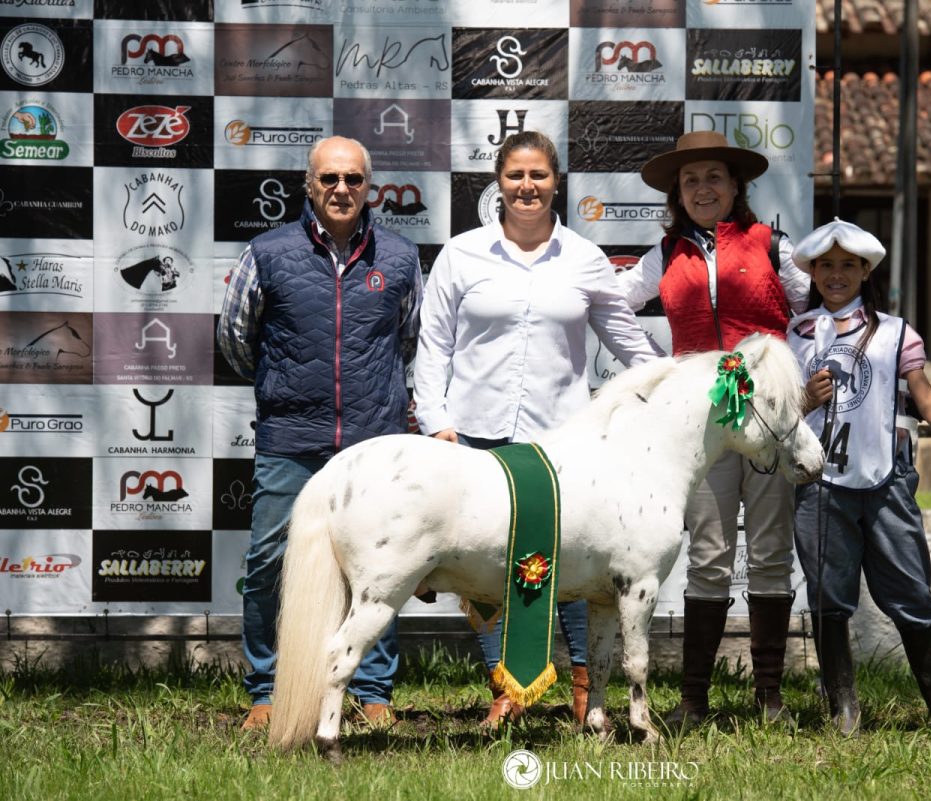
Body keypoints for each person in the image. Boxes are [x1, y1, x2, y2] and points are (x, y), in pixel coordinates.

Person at [413, 130, 663, 728]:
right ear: (498, 183)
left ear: (557, 182)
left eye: (539, 176)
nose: (527, 187)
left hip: (563, 446)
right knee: (489, 572)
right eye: (515, 176)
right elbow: (433, 344)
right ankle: (508, 688)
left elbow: (628, 341)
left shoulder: (584, 258)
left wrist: (683, 380)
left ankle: (583, 688)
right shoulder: (461, 254)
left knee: (573, 564)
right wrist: (436, 423)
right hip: (476, 440)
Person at [219, 136, 424, 732]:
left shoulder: (402, 257)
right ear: (307, 184)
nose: (341, 189)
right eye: (329, 178)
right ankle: (266, 689)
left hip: (373, 444)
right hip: (292, 439)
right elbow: (235, 341)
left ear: (369, 188)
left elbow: (410, 343)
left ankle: (372, 688)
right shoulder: (267, 252)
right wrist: (285, 386)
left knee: (381, 570)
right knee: (268, 562)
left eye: (353, 180)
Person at [617, 131, 811, 726]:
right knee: (708, 557)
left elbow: (814, 314)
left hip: (770, 423)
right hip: (702, 428)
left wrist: (797, 379)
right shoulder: (663, 256)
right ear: (678, 192)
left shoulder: (773, 246)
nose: (703, 189)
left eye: (714, 178)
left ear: (736, 187)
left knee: (773, 553)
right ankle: (695, 700)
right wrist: (658, 366)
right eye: (691, 180)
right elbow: (610, 301)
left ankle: (770, 697)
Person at [788, 218, 931, 735]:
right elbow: (781, 410)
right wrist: (805, 398)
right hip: (820, 483)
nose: (836, 274)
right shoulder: (794, 336)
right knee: (827, 596)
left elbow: (924, 393)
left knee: (911, 590)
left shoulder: (895, 332)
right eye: (826, 266)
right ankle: (843, 710)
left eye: (848, 265)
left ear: (865, 271)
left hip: (886, 480)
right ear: (812, 272)